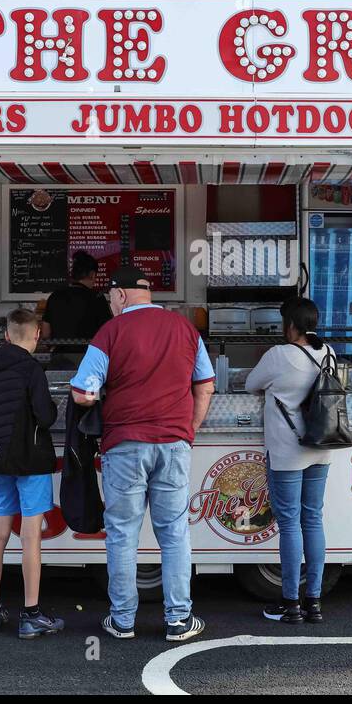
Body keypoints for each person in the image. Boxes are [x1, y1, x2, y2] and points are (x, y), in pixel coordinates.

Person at [70, 265, 215, 642]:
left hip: (124, 446)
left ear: (120, 295)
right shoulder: (185, 329)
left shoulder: (110, 332)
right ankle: (179, 620)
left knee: (122, 534)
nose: (110, 304)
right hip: (173, 444)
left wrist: (95, 397)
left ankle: (122, 620)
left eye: (109, 298)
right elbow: (206, 386)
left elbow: (82, 393)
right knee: (175, 534)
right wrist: (189, 430)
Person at [0, 308, 65, 639]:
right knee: (30, 537)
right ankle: (31, 614)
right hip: (30, 463)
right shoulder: (32, 369)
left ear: (6, 335)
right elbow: (46, 417)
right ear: (36, 335)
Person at [244, 297, 333, 624]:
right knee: (313, 519)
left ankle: (290, 603)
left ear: (290, 324)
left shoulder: (279, 355)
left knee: (290, 523)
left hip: (287, 450)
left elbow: (251, 383)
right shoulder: (329, 353)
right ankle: (314, 602)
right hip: (322, 446)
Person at [41, 251, 112, 369]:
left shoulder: (55, 296)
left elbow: (45, 333)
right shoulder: (97, 299)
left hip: (60, 361)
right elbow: (108, 333)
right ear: (93, 274)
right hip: (91, 362)